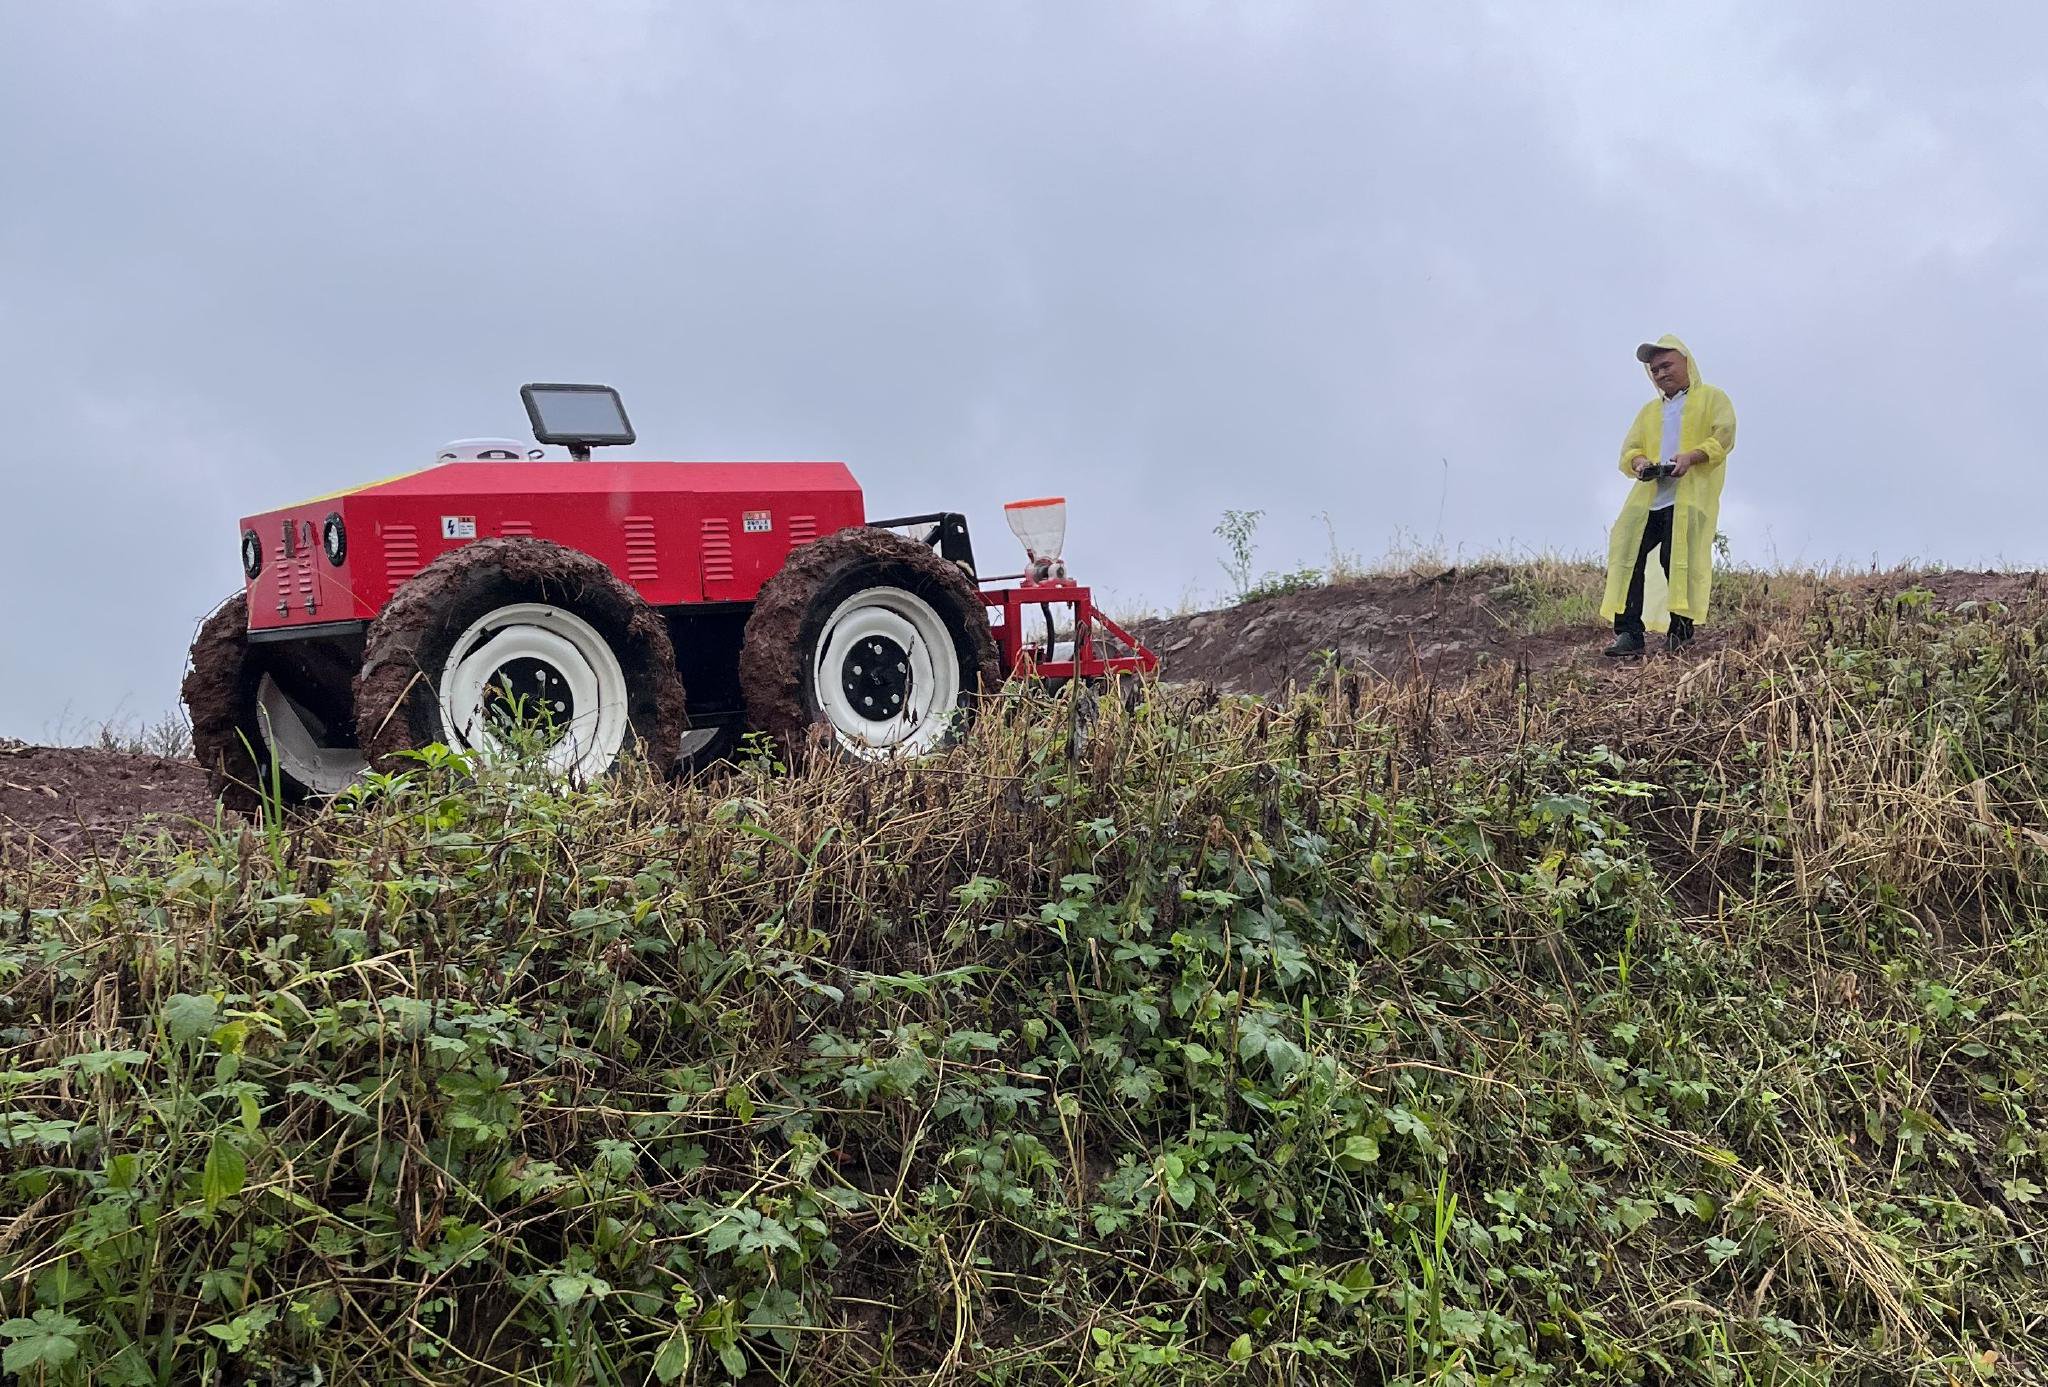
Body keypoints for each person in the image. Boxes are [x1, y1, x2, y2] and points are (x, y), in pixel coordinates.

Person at [1600, 335, 1736, 656]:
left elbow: (1724, 436)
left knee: (1675, 560)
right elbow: (1631, 449)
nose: (1661, 374)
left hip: (1689, 498)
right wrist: (1639, 463)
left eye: (1666, 365)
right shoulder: (1650, 412)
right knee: (1627, 551)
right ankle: (1629, 633)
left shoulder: (1712, 398)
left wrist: (1691, 457)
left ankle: (1681, 631)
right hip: (1650, 498)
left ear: (1687, 362)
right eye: (1655, 370)